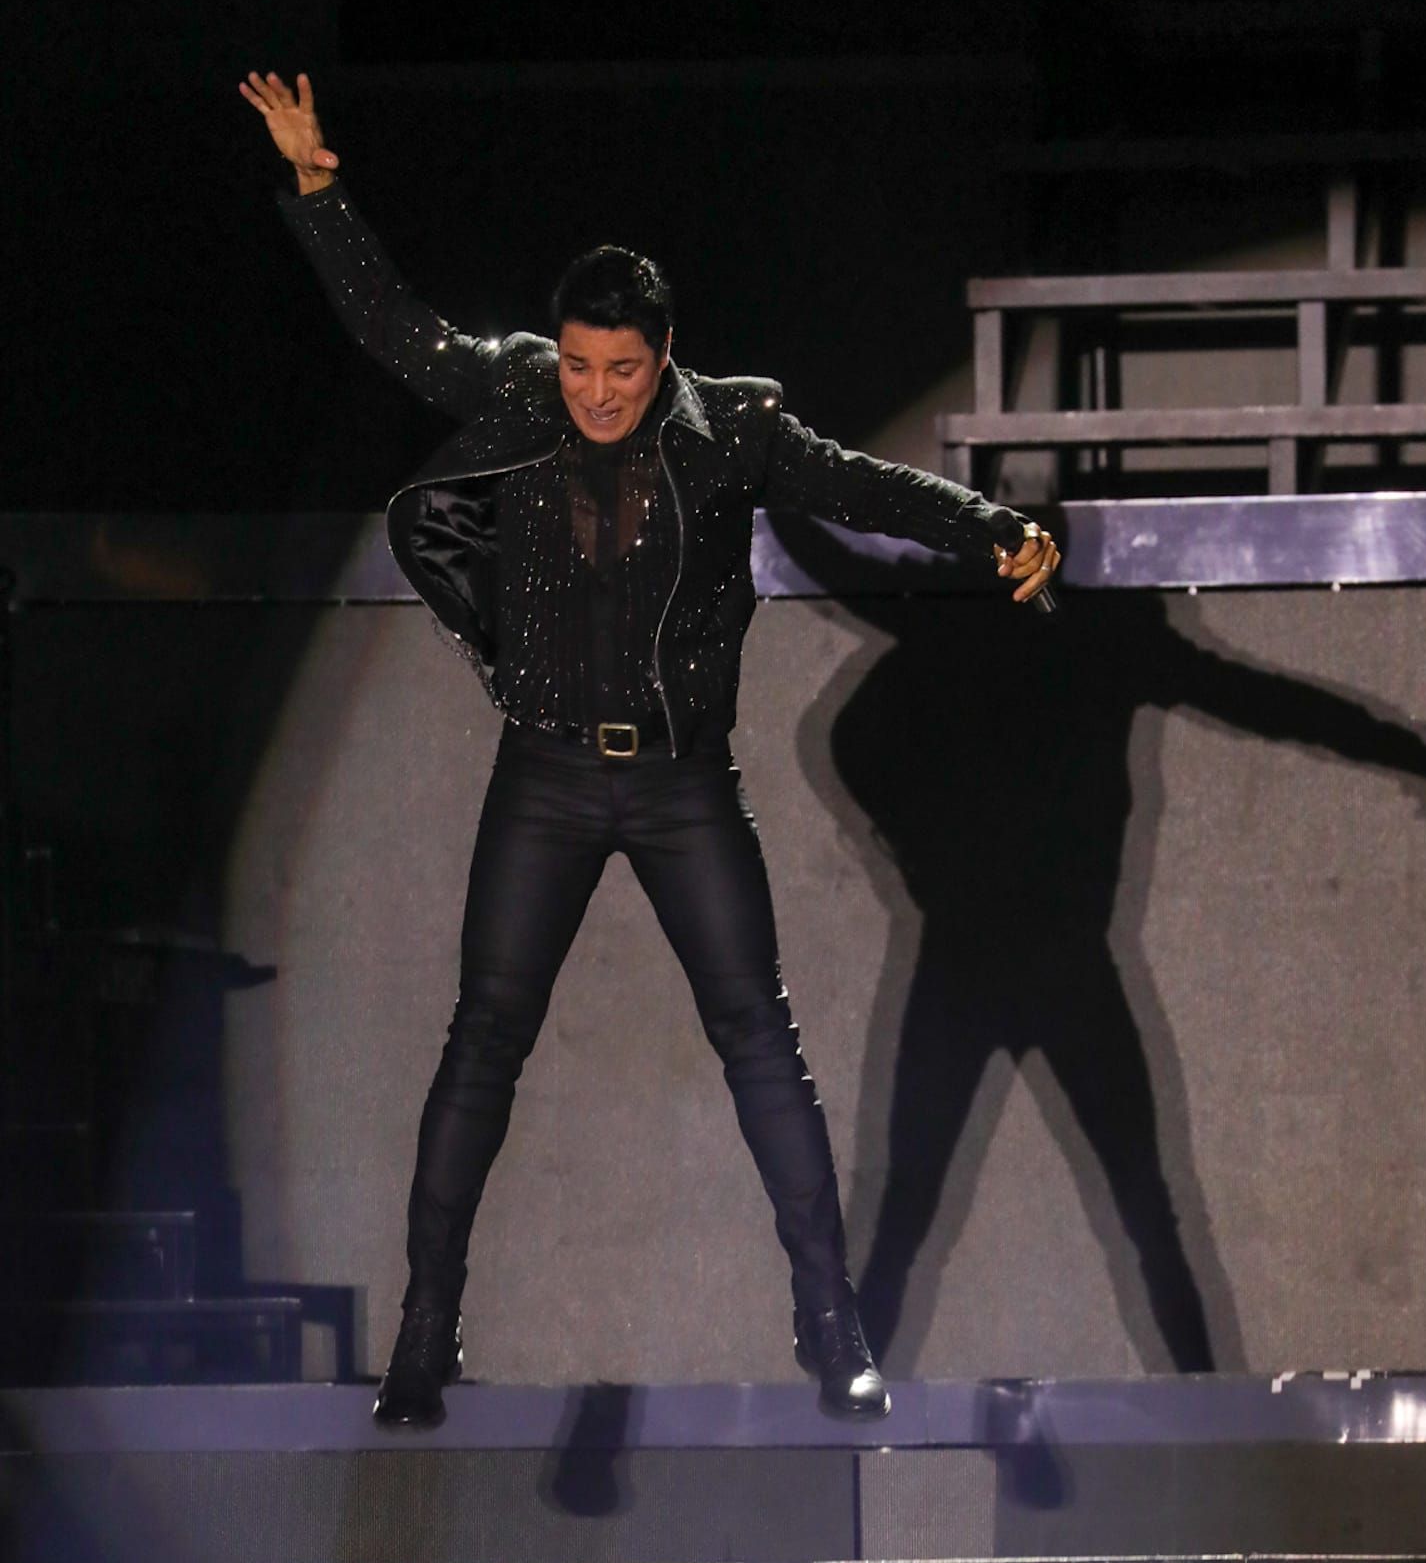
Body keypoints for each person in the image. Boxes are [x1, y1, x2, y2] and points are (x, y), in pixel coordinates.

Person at [239, 69, 1060, 1427]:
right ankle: (426, 1334)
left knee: (761, 1046)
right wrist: (321, 190)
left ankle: (831, 1327)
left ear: (663, 359)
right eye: (579, 366)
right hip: (548, 777)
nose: (597, 394)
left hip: (682, 787)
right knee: (482, 1043)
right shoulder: (515, 397)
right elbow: (394, 332)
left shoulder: (729, 429)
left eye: (622, 371)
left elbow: (857, 487)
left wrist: (985, 526)